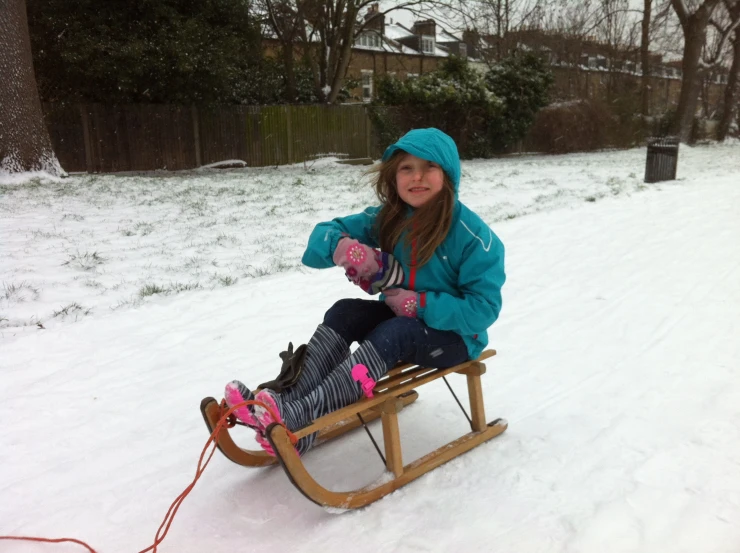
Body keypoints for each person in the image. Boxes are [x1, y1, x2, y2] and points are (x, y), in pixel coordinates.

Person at [224, 128, 506, 456]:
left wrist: (420, 304)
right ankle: (285, 401)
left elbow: (483, 309)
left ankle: (302, 419)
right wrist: (344, 248)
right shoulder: (389, 219)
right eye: (406, 168)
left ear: (448, 175)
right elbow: (323, 234)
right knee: (346, 311)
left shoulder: (474, 237)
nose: (417, 177)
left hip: (456, 337)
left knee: (397, 330)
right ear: (392, 175)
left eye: (429, 167)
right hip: (402, 322)